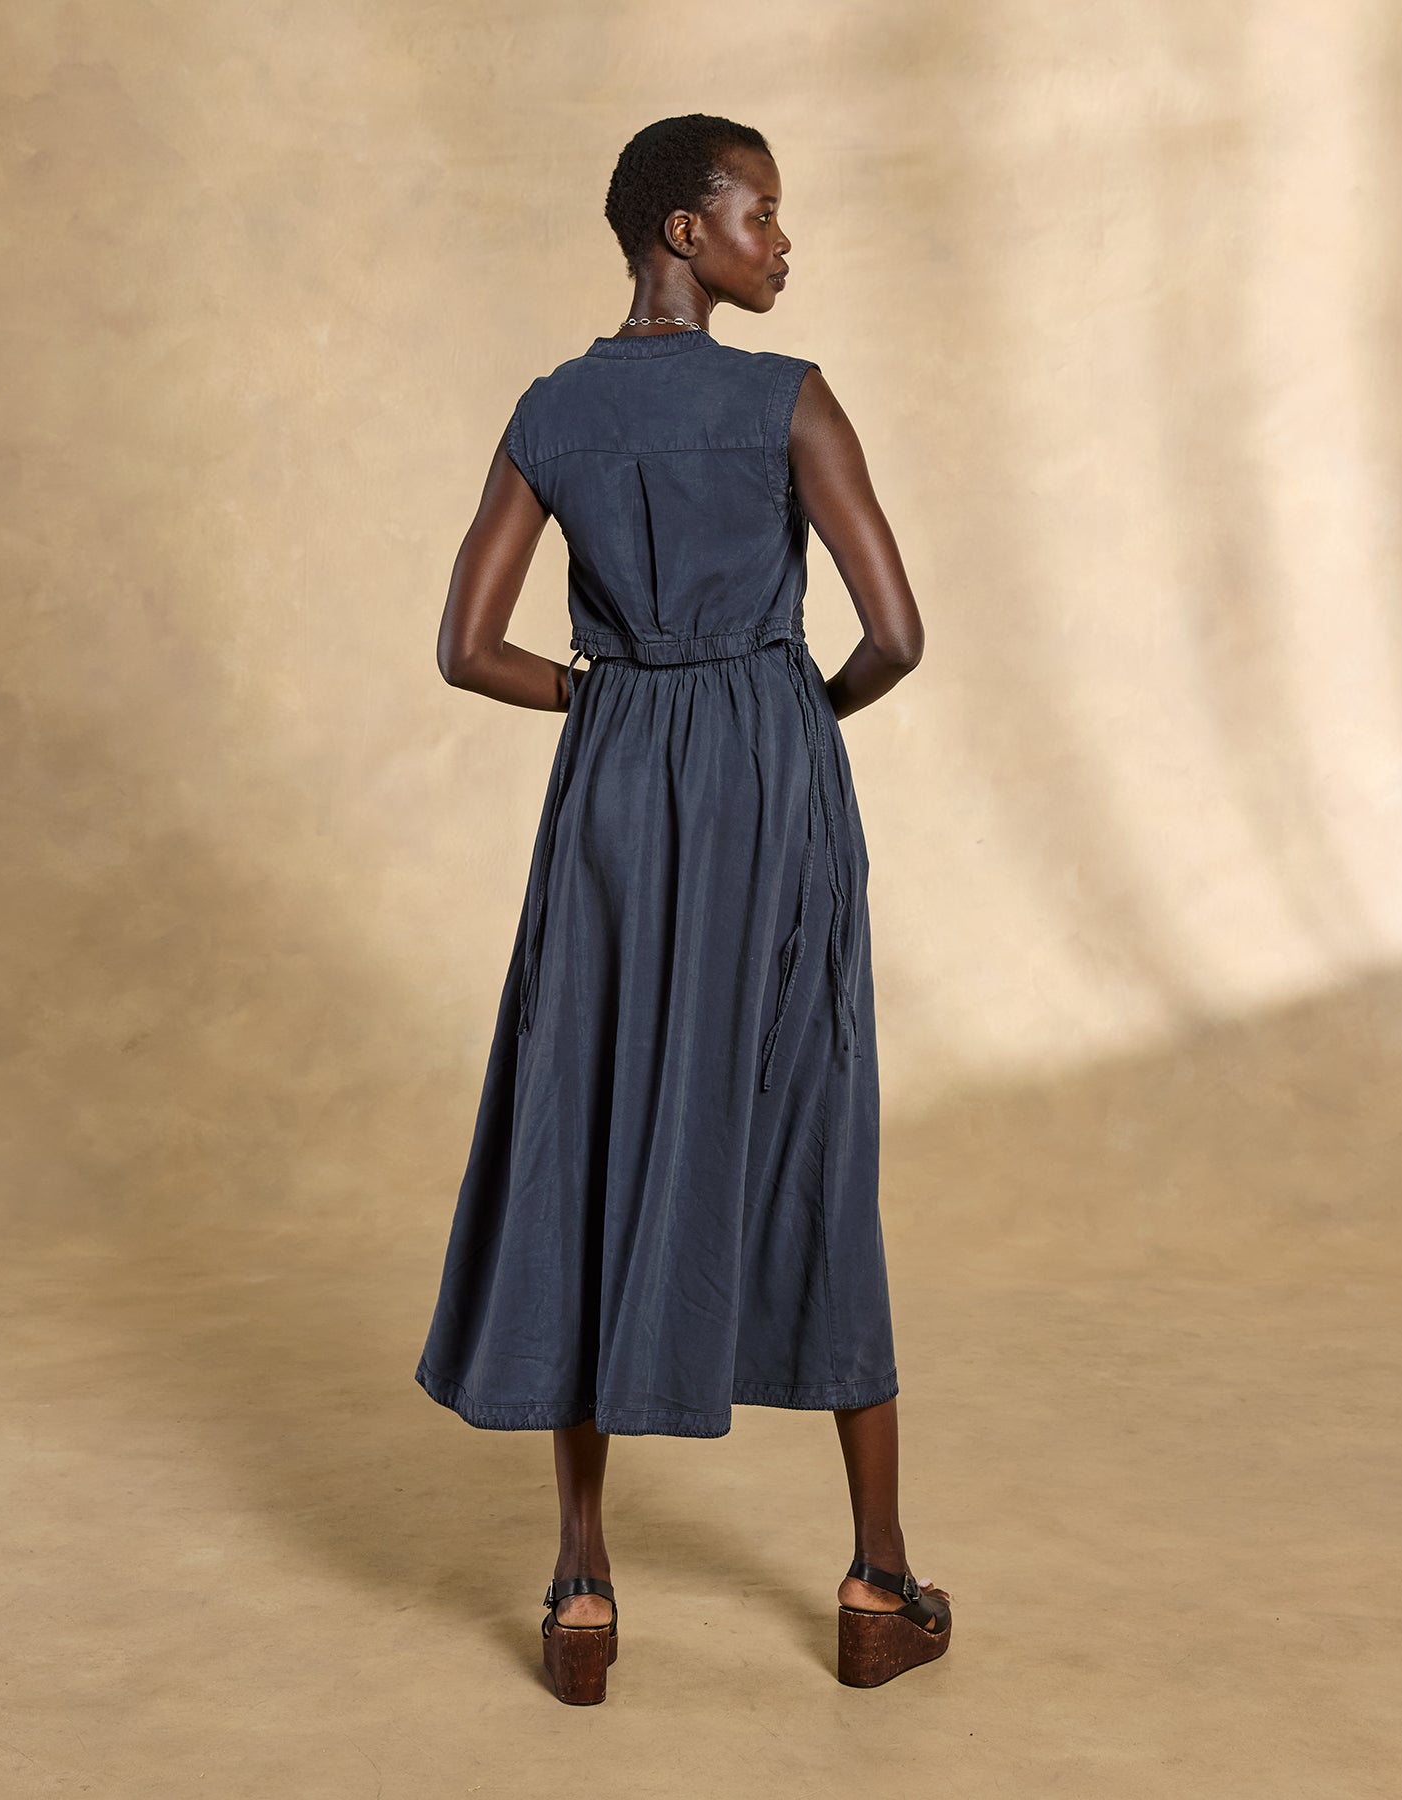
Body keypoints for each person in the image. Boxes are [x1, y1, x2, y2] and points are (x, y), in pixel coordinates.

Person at [416, 113, 947, 1700]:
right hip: (774, 777)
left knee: (587, 1118)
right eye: (759, 213)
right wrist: (794, 719)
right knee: (811, 1122)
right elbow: (897, 633)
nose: (782, 242)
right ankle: (877, 1582)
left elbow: (466, 648)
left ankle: (581, 1591)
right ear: (681, 231)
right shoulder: (788, 399)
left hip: (612, 780)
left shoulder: (552, 411)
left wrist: (602, 699)